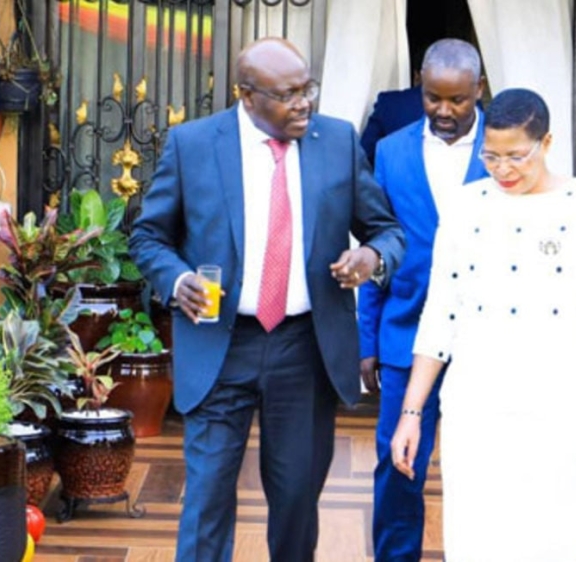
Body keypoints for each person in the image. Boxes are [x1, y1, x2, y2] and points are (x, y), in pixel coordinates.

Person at [129, 37, 405, 561]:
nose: (304, 103)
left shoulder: (338, 142)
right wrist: (175, 278)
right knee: (207, 499)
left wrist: (371, 257)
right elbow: (148, 238)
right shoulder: (193, 145)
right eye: (288, 94)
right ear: (247, 95)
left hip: (304, 348)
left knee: (297, 501)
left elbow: (386, 231)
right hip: (219, 343)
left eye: (308, 89)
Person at [390, 88, 576, 561]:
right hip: (476, 405)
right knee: (476, 539)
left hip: (562, 407)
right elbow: (440, 315)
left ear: (546, 143)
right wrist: (411, 413)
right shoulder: (465, 207)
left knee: (554, 539)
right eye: (491, 156)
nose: (502, 169)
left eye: (516, 157)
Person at [357, 38, 487, 562]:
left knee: (479, 463)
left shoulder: (505, 148)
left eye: (458, 100)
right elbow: (374, 246)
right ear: (420, 84)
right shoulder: (390, 151)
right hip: (403, 336)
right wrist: (367, 338)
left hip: (485, 337)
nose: (445, 111)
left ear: (480, 89)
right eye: (434, 98)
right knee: (397, 462)